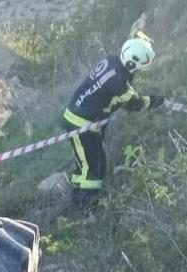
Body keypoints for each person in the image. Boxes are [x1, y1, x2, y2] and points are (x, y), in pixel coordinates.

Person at [63, 32, 165, 212]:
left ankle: (76, 202)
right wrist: (154, 101)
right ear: (132, 63)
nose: (138, 71)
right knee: (93, 167)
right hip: (82, 124)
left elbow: (105, 93)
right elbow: (134, 104)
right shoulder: (120, 83)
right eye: (138, 68)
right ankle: (87, 209)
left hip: (78, 117)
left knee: (86, 164)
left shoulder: (111, 61)